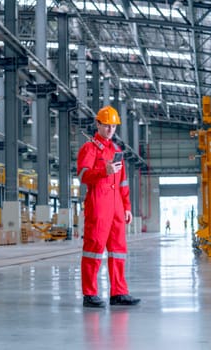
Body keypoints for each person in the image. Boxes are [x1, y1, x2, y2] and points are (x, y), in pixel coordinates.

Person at [77, 105, 140, 308]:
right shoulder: (89, 148)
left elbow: (123, 183)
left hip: (117, 209)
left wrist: (127, 207)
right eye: (107, 126)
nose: (111, 130)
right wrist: (104, 170)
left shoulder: (117, 151)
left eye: (113, 126)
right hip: (98, 206)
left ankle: (119, 292)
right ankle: (90, 293)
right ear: (98, 124)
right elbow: (83, 175)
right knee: (94, 249)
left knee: (118, 250)